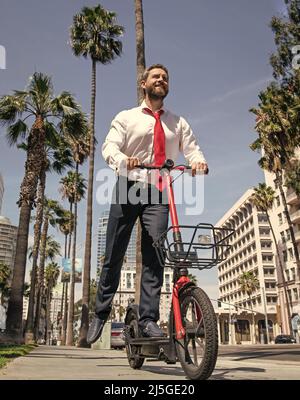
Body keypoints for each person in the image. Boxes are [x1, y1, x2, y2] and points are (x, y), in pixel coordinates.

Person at [87, 64, 208, 344]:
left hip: (158, 191)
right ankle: (101, 311)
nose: (161, 80)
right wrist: (122, 160)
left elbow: (192, 148)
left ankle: (148, 320)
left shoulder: (177, 122)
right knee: (114, 255)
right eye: (156, 76)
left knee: (155, 255)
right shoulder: (127, 117)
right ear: (144, 83)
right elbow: (109, 146)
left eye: (165, 77)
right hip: (128, 187)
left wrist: (197, 161)